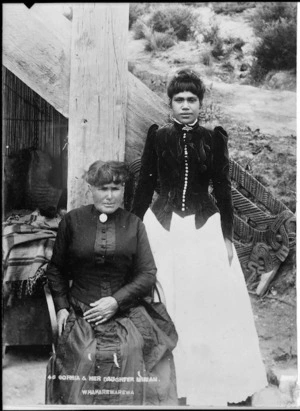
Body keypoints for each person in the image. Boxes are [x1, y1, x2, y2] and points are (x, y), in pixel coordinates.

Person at [131, 69, 268, 406]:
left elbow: (222, 190)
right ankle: (168, 383)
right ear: (170, 104)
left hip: (203, 227)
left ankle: (211, 380)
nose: (186, 106)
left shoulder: (213, 138)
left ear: (201, 104)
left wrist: (225, 239)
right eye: (179, 100)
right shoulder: (158, 137)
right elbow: (145, 185)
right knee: (166, 297)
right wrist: (131, 232)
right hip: (163, 227)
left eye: (192, 100)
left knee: (209, 302)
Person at [45, 160, 178, 406]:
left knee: (133, 350)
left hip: (125, 309)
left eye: (115, 189)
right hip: (80, 308)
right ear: (90, 189)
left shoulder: (135, 225)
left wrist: (116, 302)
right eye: (102, 188)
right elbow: (55, 269)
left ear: (123, 191)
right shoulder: (72, 222)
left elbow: (148, 273)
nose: (109, 196)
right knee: (85, 354)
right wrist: (62, 306)